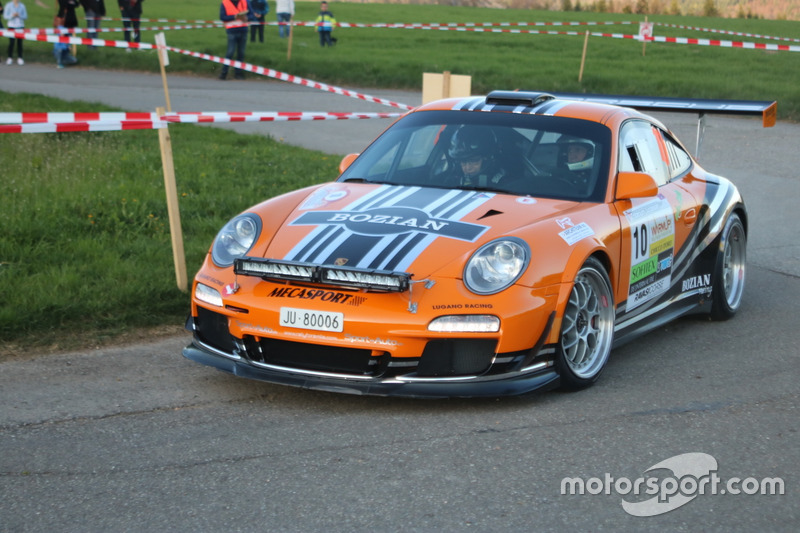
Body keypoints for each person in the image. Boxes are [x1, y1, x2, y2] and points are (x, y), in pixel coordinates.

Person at [219, 0, 254, 80]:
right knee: (230, 52)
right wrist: (234, 17)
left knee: (241, 53)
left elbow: (252, 14)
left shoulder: (245, 1)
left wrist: (247, 18)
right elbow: (222, 17)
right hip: (232, 31)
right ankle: (224, 73)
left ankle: (238, 73)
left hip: (243, 30)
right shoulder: (225, 2)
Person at [3, 0, 26, 65]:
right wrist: (12, 15)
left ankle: (20, 57)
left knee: (20, 43)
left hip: (20, 26)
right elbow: (5, 16)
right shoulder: (9, 5)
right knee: (11, 42)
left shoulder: (22, 6)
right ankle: (9, 57)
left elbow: (25, 16)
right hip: (12, 26)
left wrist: (19, 15)